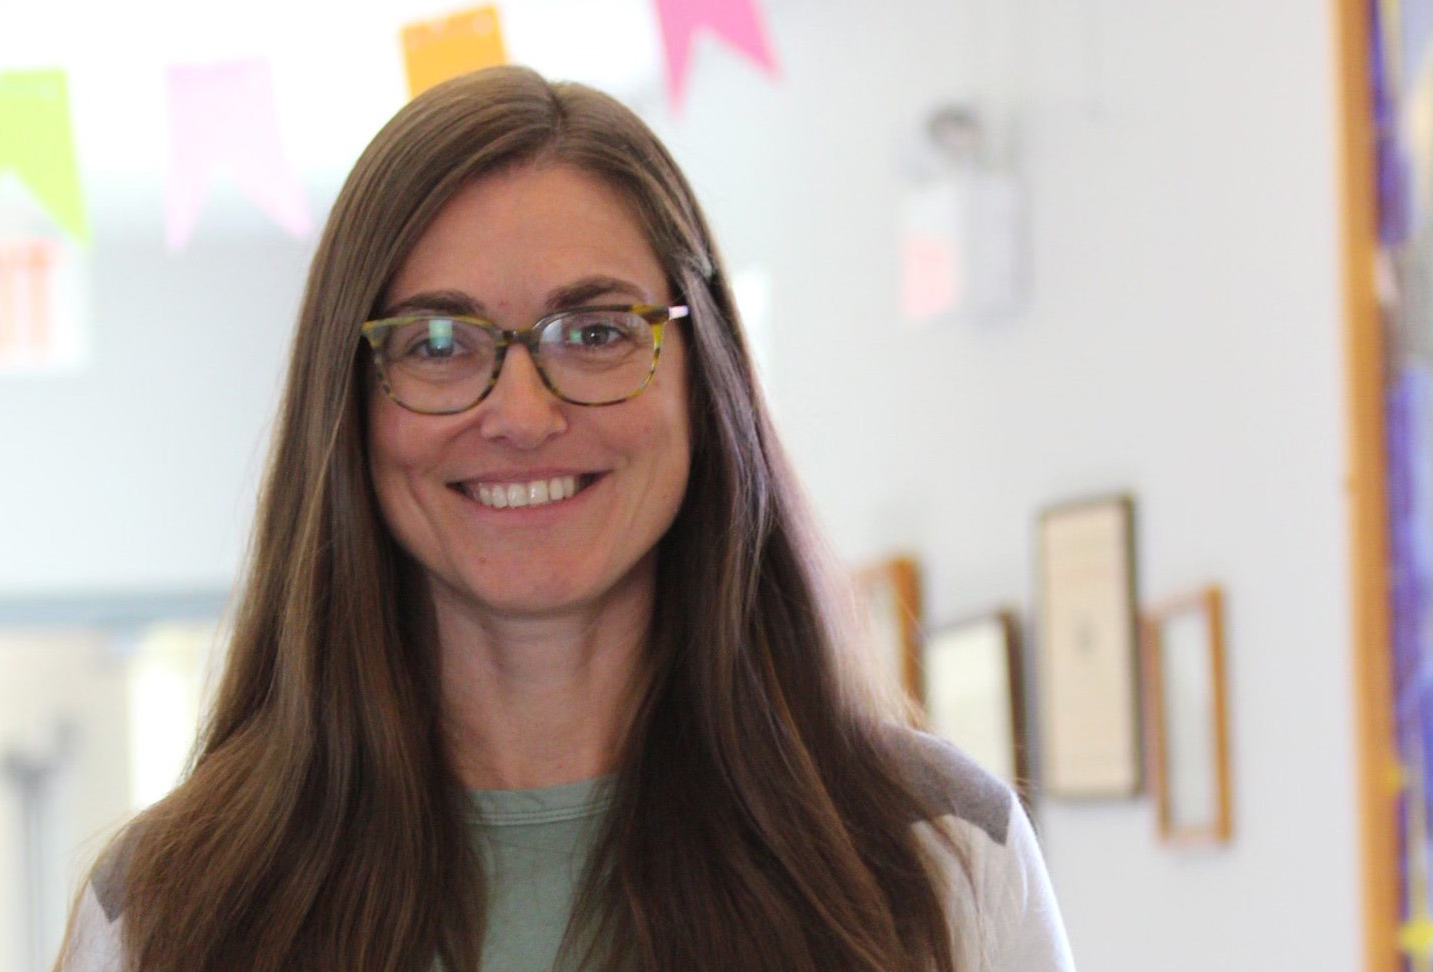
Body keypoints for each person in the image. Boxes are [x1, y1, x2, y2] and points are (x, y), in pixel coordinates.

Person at [55, 65, 1074, 972]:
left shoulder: (932, 854)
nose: (524, 415)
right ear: (351, 406)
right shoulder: (169, 909)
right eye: (440, 342)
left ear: (705, 380)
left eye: (594, 331)